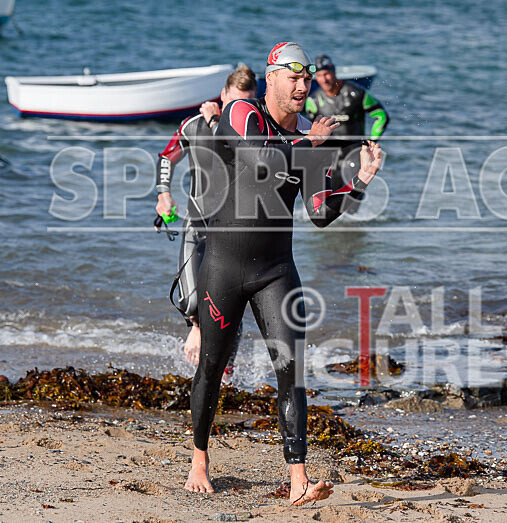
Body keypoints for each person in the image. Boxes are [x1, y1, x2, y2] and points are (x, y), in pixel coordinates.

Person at [184, 42, 383, 506]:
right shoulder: (242, 113)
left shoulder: (309, 142)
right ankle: (199, 458)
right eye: (291, 77)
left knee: (291, 370)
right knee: (212, 369)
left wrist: (359, 182)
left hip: (275, 269)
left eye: (306, 78)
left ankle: (298, 478)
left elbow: (320, 213)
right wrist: (310, 143)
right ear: (270, 78)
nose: (301, 85)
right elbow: (264, 157)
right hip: (225, 266)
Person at [156, 66, 258, 382]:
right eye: (236, 102)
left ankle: (224, 374)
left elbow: (230, 163)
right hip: (197, 223)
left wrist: (218, 122)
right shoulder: (194, 125)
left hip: (235, 231)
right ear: (223, 95)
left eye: (248, 104)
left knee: (230, 304)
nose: (241, 110)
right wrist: (163, 194)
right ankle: (198, 329)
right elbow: (166, 157)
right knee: (190, 300)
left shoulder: (253, 131)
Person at [305, 54, 389, 184]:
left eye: (326, 74)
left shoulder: (356, 94)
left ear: (334, 72)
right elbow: (309, 130)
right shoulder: (313, 101)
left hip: (354, 155)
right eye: (320, 76)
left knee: (353, 195)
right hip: (329, 157)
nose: (324, 79)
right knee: (328, 199)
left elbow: (382, 116)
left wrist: (371, 141)